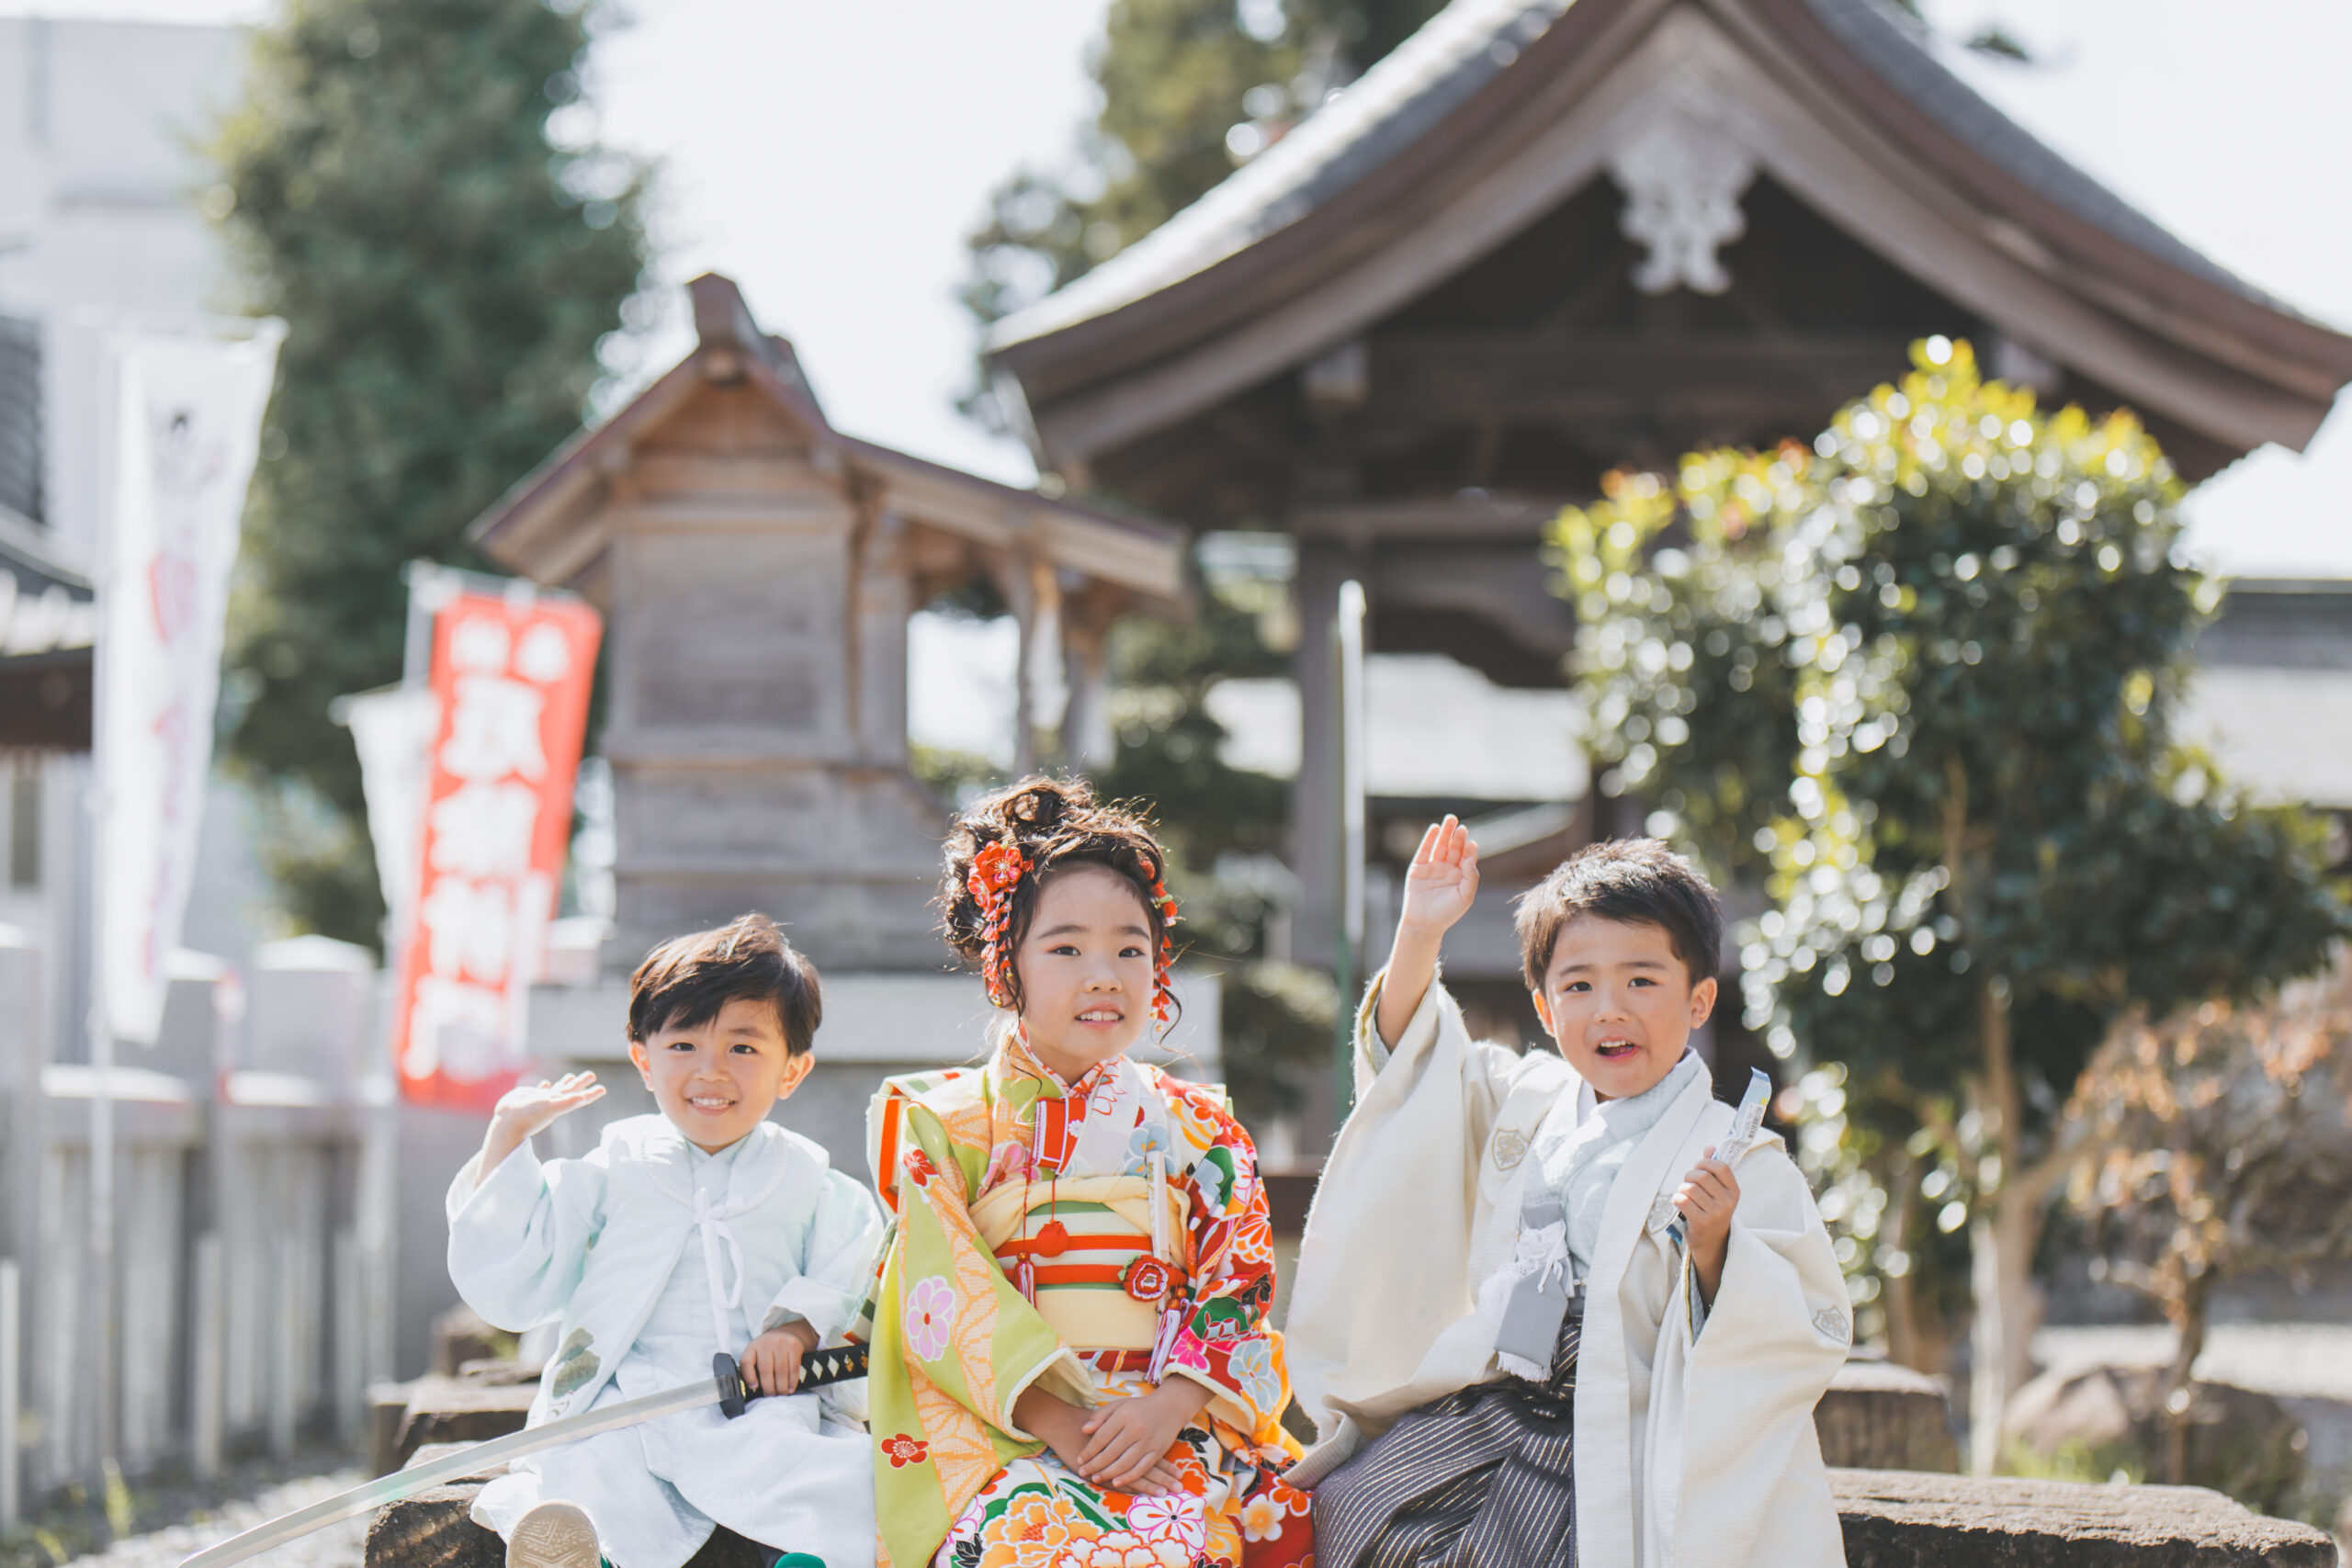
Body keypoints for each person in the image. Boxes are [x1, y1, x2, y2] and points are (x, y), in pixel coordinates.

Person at [1283, 821, 1851, 1568]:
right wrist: (1420, 931)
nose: (1609, 1008)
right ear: (1546, 1010)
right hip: (1501, 1395)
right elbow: (1414, 1072)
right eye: (1579, 985)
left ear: (1700, 998)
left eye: (1641, 980)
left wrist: (1717, 1248)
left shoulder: (1738, 1156)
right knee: (1354, 1509)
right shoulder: (1527, 1099)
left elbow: (1802, 1322)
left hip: (1625, 1431)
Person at [863, 778, 1314, 1568]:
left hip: (1170, 1421)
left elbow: (1238, 1281)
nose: (1104, 974)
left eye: (1131, 949)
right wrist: (1060, 1421)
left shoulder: (1200, 1127)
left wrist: (1171, 1406)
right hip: (1011, 1429)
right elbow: (940, 1296)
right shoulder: (947, 1125)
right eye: (1067, 947)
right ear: (1005, 964)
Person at [446, 913, 886, 1568]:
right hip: (628, 1397)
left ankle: (808, 1561)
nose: (711, 1071)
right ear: (643, 1059)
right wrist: (507, 1138)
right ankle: (583, 1557)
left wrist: (796, 1330)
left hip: (756, 1398)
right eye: (683, 1044)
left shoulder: (809, 1180)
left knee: (833, 1474)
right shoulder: (611, 1168)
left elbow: (852, 1268)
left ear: (791, 1071)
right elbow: (519, 1263)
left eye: (743, 1049)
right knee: (591, 1471)